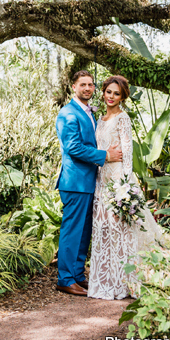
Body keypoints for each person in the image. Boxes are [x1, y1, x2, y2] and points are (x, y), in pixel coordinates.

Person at [87, 75, 163, 300]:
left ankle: (126, 282)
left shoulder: (123, 119)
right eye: (108, 92)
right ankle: (106, 279)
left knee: (121, 230)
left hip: (118, 180)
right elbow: (99, 151)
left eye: (116, 94)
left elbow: (127, 153)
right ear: (103, 92)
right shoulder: (99, 119)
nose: (111, 97)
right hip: (102, 179)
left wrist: (126, 187)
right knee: (104, 229)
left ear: (123, 97)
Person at [54, 70, 123, 296]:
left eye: (91, 85)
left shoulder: (88, 113)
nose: (87, 88)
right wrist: (104, 156)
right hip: (74, 182)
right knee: (72, 231)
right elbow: (73, 148)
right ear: (73, 87)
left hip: (89, 181)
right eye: (82, 84)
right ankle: (64, 278)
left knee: (84, 232)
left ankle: (77, 274)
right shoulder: (68, 113)